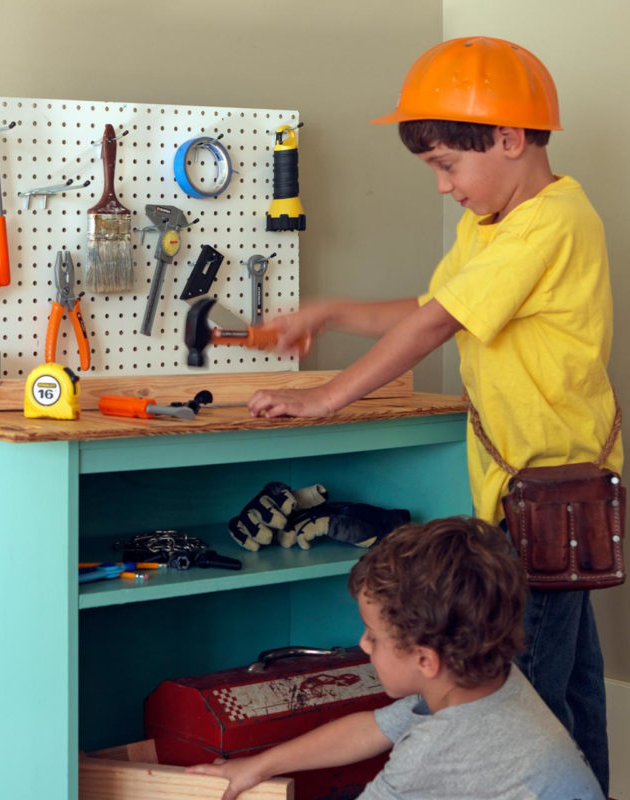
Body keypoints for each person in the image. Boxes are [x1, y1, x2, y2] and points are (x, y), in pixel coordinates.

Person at [246, 36, 622, 795]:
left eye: (448, 165)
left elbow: (437, 324)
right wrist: (333, 312)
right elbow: (427, 305)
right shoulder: (491, 226)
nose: (444, 186)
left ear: (509, 139)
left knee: (527, 697)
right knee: (571, 686)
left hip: (551, 496)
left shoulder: (553, 221)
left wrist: (326, 397)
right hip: (524, 492)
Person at [188, 517, 602, 800]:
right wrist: (258, 766)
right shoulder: (491, 679)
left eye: (373, 636)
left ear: (425, 660)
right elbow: (369, 730)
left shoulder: (431, 753)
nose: (363, 644)